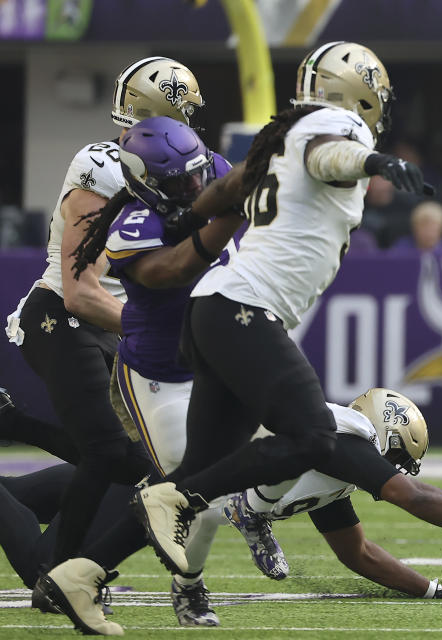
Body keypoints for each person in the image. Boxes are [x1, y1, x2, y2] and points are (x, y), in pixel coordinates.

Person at [31, 42, 436, 636]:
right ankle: (176, 573)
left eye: (199, 163)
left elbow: (230, 185)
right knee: (194, 492)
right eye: (184, 172)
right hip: (160, 364)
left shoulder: (211, 166)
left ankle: (84, 572)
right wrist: (364, 167)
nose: (197, 169)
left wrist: (233, 200)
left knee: (216, 476)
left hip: (210, 339)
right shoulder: (126, 205)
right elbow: (159, 271)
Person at [32, 390, 442, 635]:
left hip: (200, 487)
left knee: (63, 513)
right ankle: (196, 576)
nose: (398, 470)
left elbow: (358, 554)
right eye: (398, 456)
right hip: (187, 469)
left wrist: (433, 590)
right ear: (381, 434)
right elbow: (416, 498)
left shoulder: (332, 471)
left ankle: (252, 513)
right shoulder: (346, 442)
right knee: (69, 517)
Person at [2, 57, 204, 574]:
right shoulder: (103, 165)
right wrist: (163, 333)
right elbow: (79, 292)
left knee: (144, 465)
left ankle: (33, 514)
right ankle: (59, 571)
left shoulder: (183, 171)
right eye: (184, 116)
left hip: (114, 325)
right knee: (118, 456)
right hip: (64, 318)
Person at [67, 115, 246, 626]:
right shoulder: (129, 226)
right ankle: (188, 588)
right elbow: (175, 269)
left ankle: (253, 515)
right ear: (145, 183)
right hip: (156, 376)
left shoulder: (212, 169)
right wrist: (231, 210)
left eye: (197, 174)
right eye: (181, 182)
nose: (195, 186)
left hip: (219, 360)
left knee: (279, 455)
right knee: (196, 496)